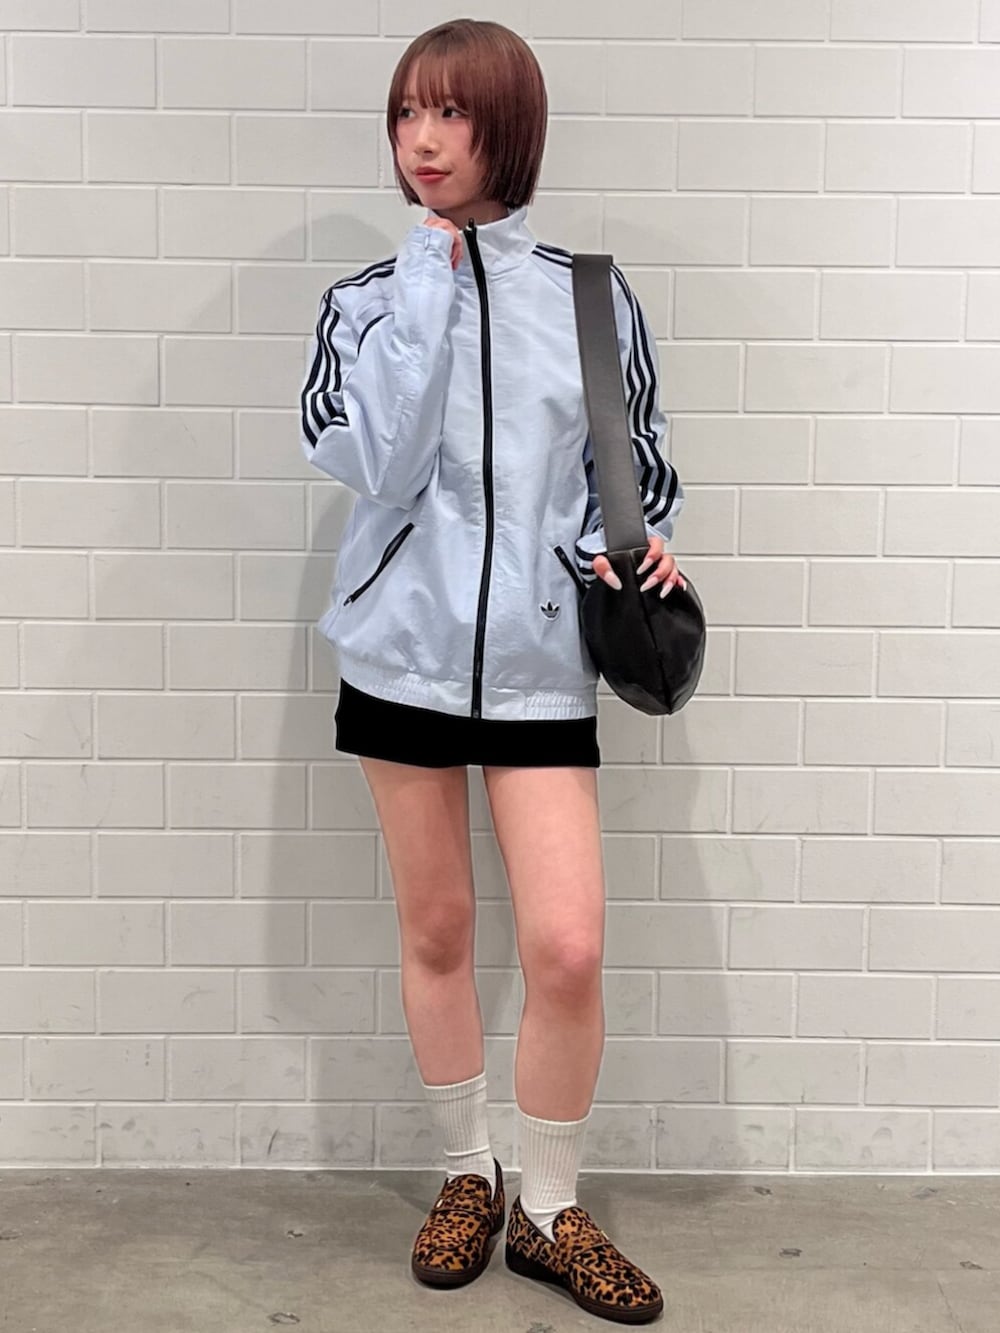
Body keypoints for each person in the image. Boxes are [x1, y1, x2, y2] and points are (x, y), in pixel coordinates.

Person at [300, 18, 685, 1325]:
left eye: (454, 113)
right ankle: (467, 1173)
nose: (424, 139)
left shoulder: (590, 297)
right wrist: (427, 274)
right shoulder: (363, 301)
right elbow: (376, 461)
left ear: (507, 126)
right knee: (440, 929)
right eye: (408, 112)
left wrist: (635, 542)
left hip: (537, 659)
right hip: (398, 657)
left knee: (567, 945)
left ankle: (550, 1207)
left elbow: (635, 469)